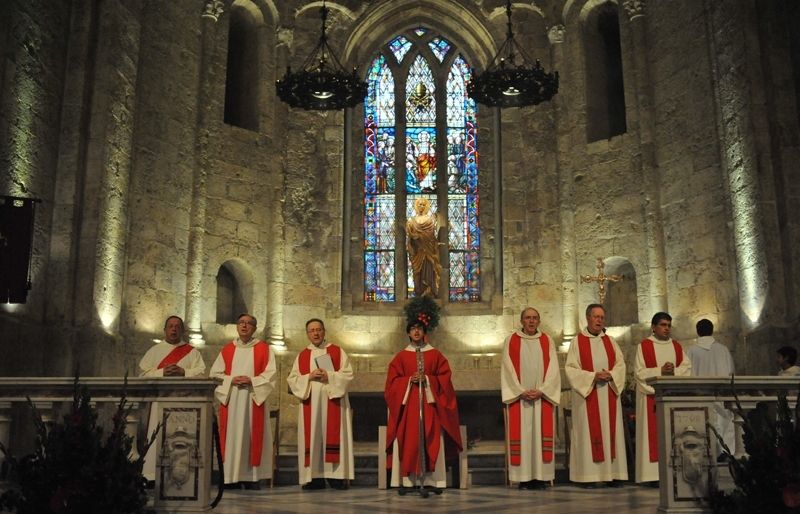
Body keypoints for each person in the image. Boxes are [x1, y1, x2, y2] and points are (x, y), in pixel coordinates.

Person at [385, 320, 462, 491]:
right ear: (408, 333)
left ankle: (432, 481)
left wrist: (427, 379)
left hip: (431, 407)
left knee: (432, 436)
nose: (416, 332)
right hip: (408, 410)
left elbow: (445, 380)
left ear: (424, 332)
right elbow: (391, 384)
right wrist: (407, 380)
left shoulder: (435, 355)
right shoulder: (400, 357)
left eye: (419, 329)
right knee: (408, 438)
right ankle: (409, 481)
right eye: (413, 329)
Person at [210, 313, 277, 489]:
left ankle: (251, 478)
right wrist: (231, 379)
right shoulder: (227, 349)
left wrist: (251, 381)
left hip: (253, 399)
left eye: (249, 323)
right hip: (232, 401)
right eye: (241, 323)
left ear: (255, 328)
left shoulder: (264, 349)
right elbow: (215, 375)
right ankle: (231, 477)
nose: (244, 326)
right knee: (232, 437)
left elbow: (270, 375)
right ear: (237, 327)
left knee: (250, 436)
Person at [287, 319, 354, 490]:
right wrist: (309, 376)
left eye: (318, 330)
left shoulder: (337, 351)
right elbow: (292, 380)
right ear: (307, 333)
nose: (315, 333)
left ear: (324, 331)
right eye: (311, 330)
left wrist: (329, 376)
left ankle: (336, 477)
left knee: (333, 434)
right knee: (313, 436)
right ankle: (314, 477)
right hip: (311, 403)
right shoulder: (302, 355)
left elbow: (347, 375)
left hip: (334, 402)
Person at [564, 304, 627, 487]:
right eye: (596, 316)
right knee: (587, 434)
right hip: (588, 395)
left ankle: (613, 474)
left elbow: (621, 365)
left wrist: (612, 375)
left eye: (602, 317)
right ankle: (588, 477)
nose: (599, 320)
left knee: (611, 432)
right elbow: (571, 368)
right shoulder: (577, 341)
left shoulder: (610, 341)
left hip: (608, 392)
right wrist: (593, 376)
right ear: (587, 318)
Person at [138, 315, 206, 482]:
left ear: (182, 330)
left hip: (183, 404)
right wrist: (162, 373)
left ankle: (180, 475)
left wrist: (184, 372)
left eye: (177, 326)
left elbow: (202, 374)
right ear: (165, 330)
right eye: (171, 326)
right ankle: (152, 476)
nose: (174, 329)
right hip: (159, 402)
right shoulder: (154, 351)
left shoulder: (192, 352)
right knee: (157, 437)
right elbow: (142, 375)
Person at [501, 307, 561, 490]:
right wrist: (520, 391)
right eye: (528, 318)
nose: (531, 321)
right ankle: (524, 478)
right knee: (525, 437)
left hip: (542, 398)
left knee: (540, 437)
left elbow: (553, 369)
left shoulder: (547, 340)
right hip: (520, 399)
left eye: (535, 318)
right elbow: (507, 368)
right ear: (521, 321)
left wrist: (542, 390)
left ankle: (541, 477)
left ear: (539, 321)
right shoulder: (511, 340)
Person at [633, 312, 692, 485]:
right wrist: (661, 371)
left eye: (668, 325)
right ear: (653, 327)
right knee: (652, 436)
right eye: (663, 325)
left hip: (672, 399)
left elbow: (687, 368)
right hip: (651, 400)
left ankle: (672, 473)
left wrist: (672, 371)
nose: (666, 328)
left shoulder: (676, 346)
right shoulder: (644, 346)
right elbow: (639, 373)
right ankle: (652, 476)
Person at [685, 319, 735, 456]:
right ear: (712, 330)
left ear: (697, 331)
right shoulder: (723, 350)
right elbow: (731, 372)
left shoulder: (692, 351)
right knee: (724, 424)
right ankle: (726, 452)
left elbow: (687, 374)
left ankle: (709, 452)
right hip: (721, 395)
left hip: (700, 396)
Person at [406, 198, 442, 298]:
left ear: (426, 206)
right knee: (417, 273)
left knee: (430, 271)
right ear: (416, 206)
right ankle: (418, 293)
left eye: (423, 205)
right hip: (417, 252)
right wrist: (413, 237)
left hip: (429, 251)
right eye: (419, 204)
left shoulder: (430, 220)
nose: (421, 206)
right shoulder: (411, 221)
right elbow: (410, 238)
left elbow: (432, 237)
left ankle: (429, 292)